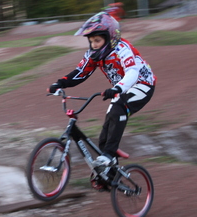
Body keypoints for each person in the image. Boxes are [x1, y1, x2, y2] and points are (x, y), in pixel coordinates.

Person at [48, 11, 156, 176]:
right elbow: (80, 72)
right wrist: (60, 83)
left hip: (142, 84)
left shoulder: (122, 48)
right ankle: (111, 176)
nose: (94, 44)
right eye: (91, 41)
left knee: (118, 108)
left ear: (110, 36)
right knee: (105, 133)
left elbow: (132, 73)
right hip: (122, 89)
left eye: (97, 40)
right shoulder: (93, 54)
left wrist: (117, 89)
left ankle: (109, 156)